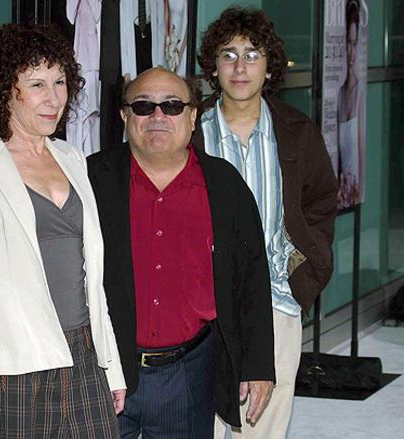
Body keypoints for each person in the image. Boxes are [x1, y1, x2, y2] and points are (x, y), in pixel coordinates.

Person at [0, 24, 125, 438]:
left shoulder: (71, 158)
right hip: (15, 367)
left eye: (60, 82)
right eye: (37, 84)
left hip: (84, 355)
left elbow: (93, 279)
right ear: (5, 90)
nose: (54, 98)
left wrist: (111, 366)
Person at [87, 66, 275, 439]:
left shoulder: (224, 185)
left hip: (189, 373)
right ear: (125, 116)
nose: (158, 116)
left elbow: (252, 279)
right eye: (143, 106)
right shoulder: (90, 179)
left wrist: (258, 366)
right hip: (104, 370)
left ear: (192, 117)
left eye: (172, 106)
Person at [196, 6, 338, 439]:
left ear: (270, 67)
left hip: (276, 299)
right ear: (213, 67)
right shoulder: (189, 129)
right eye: (229, 54)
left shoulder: (296, 131)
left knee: (264, 426)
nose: (240, 67)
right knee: (200, 424)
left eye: (252, 55)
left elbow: (321, 202)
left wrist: (306, 273)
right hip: (202, 303)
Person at [337, 0, 365, 208]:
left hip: (353, 191)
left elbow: (361, 153)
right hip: (340, 189)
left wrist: (357, 193)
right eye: (348, 42)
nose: (351, 51)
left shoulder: (360, 93)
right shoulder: (339, 93)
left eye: (355, 43)